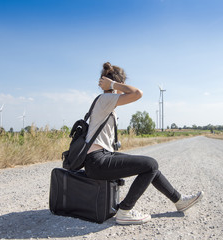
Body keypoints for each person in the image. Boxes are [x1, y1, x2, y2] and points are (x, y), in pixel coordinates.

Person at [84, 62, 203, 225]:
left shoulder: (107, 102)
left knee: (150, 167)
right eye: (122, 83)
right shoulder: (105, 99)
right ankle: (124, 211)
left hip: (102, 158)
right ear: (119, 83)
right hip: (97, 161)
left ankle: (179, 200)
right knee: (151, 164)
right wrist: (113, 84)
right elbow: (137, 93)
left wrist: (112, 85)